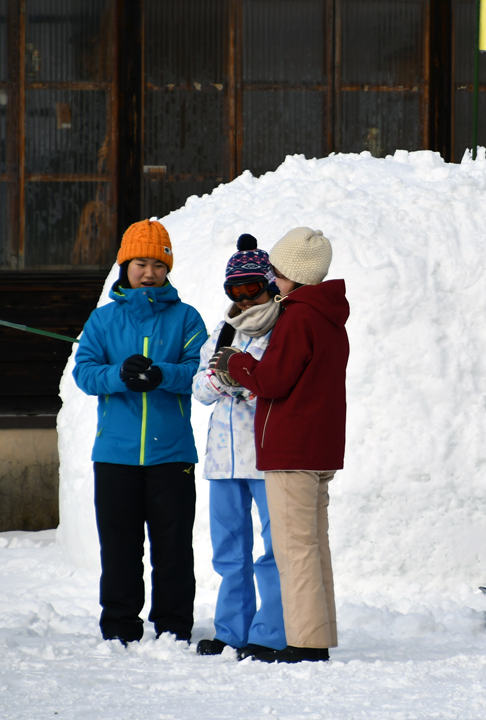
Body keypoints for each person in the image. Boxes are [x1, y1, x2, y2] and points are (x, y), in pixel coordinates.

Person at [72, 219, 208, 645]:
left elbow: (200, 373)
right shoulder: (102, 320)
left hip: (172, 455)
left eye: (156, 264)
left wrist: (161, 374)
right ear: (124, 266)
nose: (148, 272)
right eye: (139, 263)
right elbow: (85, 373)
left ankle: (173, 626)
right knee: (120, 547)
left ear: (167, 268)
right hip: (116, 454)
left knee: (173, 548)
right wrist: (119, 375)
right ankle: (119, 625)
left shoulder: (187, 319)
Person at [222, 227, 349, 664]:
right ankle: (317, 635)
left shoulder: (297, 317)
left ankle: (305, 644)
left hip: (291, 448)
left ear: (294, 274)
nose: (271, 279)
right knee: (314, 546)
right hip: (320, 447)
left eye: (275, 272)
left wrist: (235, 362)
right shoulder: (330, 317)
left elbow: (272, 381)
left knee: (294, 550)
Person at [192, 234, 287, 658]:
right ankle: (231, 630)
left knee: (274, 551)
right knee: (230, 551)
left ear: (269, 286)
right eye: (236, 291)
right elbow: (200, 386)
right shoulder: (223, 330)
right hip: (222, 459)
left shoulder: (283, 325)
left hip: (265, 456)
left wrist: (246, 383)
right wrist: (218, 381)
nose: (245, 299)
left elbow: (278, 382)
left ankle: (269, 632)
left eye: (253, 289)